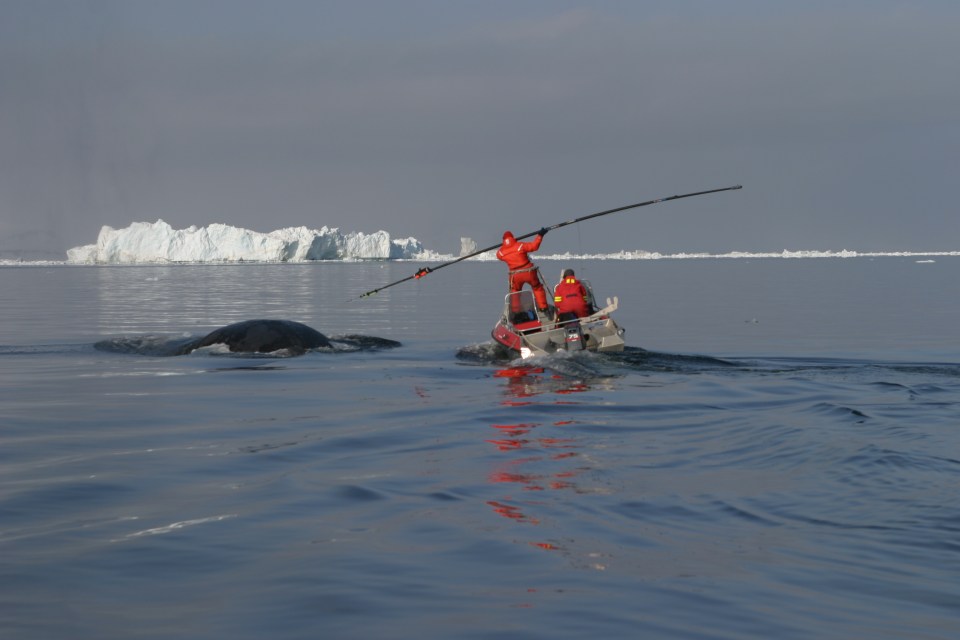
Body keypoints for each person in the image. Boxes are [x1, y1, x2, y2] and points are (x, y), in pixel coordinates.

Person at [496, 228, 550, 313]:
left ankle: (515, 311)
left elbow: (498, 255)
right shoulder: (520, 245)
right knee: (537, 287)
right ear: (513, 238)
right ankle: (543, 307)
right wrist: (540, 235)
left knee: (515, 292)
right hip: (528, 272)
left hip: (515, 275)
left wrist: (504, 246)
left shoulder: (502, 252)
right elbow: (534, 246)